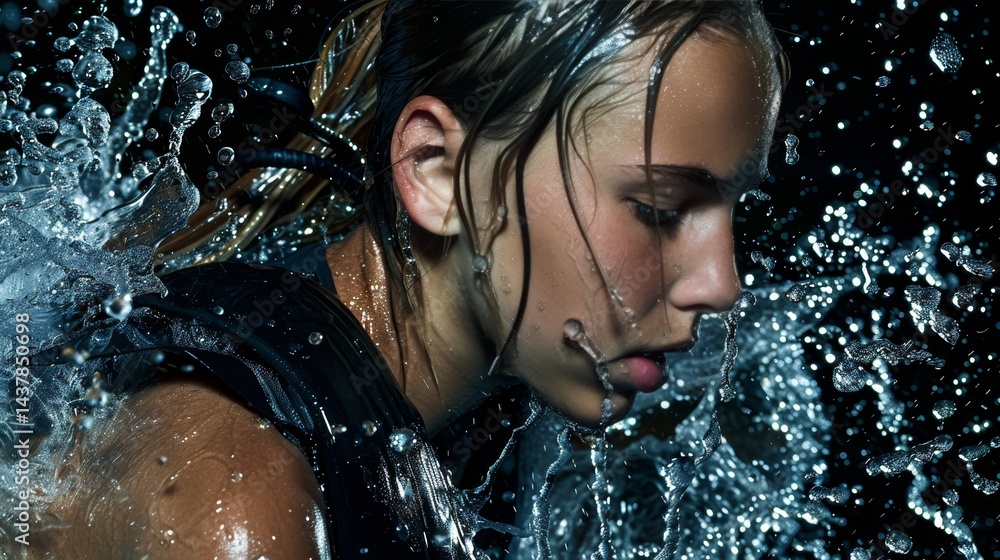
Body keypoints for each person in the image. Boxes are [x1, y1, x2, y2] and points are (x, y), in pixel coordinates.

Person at [15, 0, 787, 558]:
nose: (722, 283)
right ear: (438, 173)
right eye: (656, 209)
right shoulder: (238, 508)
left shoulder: (485, 405)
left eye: (732, 215)